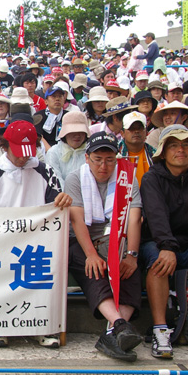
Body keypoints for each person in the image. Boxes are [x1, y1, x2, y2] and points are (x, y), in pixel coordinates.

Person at [0, 120, 71, 349]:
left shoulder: (45, 171)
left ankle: (43, 327)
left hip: (37, 242)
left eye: (28, 152)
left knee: (39, 281)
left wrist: (63, 200)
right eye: (18, 152)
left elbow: (56, 205)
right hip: (0, 243)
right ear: (5, 146)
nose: (23, 158)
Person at [65, 132, 143, 362]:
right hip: (84, 240)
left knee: (128, 269)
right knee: (93, 269)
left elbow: (134, 218)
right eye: (97, 159)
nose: (103, 166)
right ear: (87, 158)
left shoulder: (127, 178)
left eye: (109, 160)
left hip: (117, 237)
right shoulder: (75, 178)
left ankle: (114, 332)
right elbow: (77, 219)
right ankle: (119, 325)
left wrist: (132, 255)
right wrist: (91, 254)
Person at [140, 125, 188, 359]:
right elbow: (156, 216)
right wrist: (167, 247)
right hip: (157, 240)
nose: (181, 150)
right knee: (159, 263)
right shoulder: (152, 178)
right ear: (163, 151)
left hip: (184, 240)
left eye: (186, 145)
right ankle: (161, 330)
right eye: (174, 145)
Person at [45, 111, 90, 187]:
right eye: (72, 132)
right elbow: (56, 179)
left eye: (81, 132)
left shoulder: (91, 151)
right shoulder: (54, 152)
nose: (77, 135)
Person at [117, 111, 154, 186]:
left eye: (140, 128)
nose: (136, 131)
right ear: (122, 133)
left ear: (146, 132)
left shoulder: (155, 154)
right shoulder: (115, 154)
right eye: (131, 128)